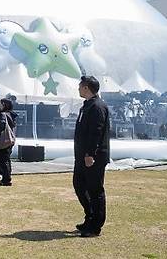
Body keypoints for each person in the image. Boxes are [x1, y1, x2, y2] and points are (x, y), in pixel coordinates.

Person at [73, 76, 110, 238]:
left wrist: (90, 154)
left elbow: (96, 132)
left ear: (86, 88)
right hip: (82, 156)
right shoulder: (87, 105)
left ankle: (96, 225)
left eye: (80, 86)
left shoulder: (97, 107)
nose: (78, 89)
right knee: (79, 186)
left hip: (93, 157)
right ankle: (89, 217)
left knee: (95, 190)